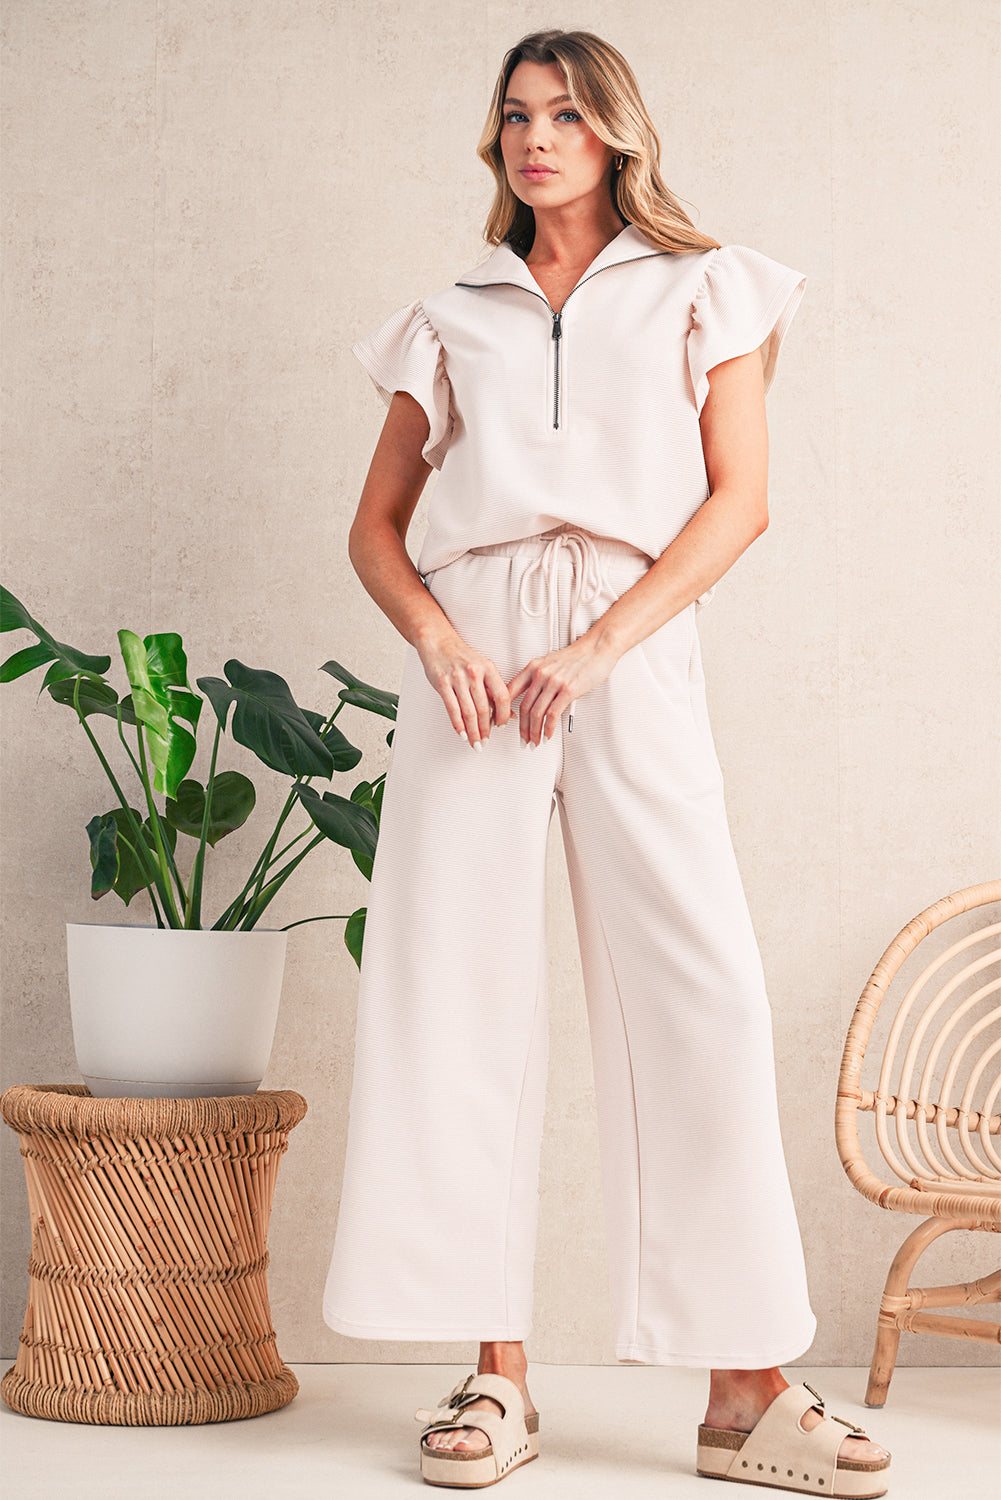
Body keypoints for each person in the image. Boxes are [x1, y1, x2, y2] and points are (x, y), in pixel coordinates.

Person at [323, 27, 892, 1496]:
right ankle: (494, 1379)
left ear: (617, 131)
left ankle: (743, 1394)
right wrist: (441, 637)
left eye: (565, 112)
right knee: (457, 997)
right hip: (471, 658)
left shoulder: (712, 288)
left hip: (622, 644)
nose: (535, 136)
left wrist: (599, 645)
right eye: (515, 114)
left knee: (695, 986)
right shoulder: (450, 313)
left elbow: (738, 502)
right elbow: (374, 528)